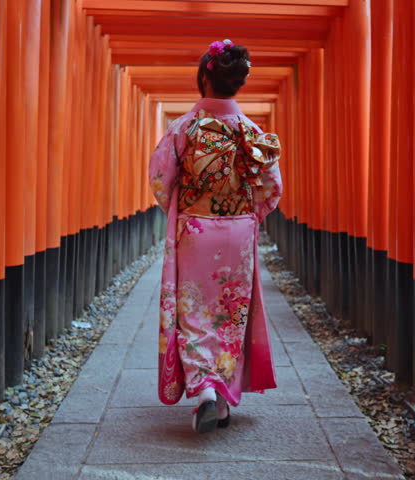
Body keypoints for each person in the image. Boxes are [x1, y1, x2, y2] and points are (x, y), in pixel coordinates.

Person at [148, 40, 284, 433]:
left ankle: (206, 389)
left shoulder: (183, 128)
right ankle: (222, 398)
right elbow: (271, 188)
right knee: (231, 313)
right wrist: (247, 214)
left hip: (196, 225)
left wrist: (184, 209)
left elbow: (160, 181)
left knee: (195, 308)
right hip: (239, 228)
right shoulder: (251, 131)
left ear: (204, 76)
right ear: (237, 83)